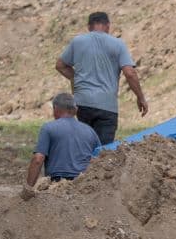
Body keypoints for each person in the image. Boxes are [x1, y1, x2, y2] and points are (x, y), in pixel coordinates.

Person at [55, 11, 148, 145]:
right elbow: (130, 73)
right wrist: (140, 97)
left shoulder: (77, 42)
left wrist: (76, 79)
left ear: (89, 26)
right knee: (103, 152)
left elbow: (60, 65)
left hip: (82, 103)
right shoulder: (118, 44)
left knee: (85, 147)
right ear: (108, 26)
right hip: (107, 105)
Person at [20, 93, 101, 200]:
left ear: (55, 109)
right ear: (75, 110)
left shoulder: (48, 128)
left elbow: (38, 159)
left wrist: (28, 189)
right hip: (83, 187)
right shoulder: (90, 131)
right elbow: (100, 158)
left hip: (56, 186)